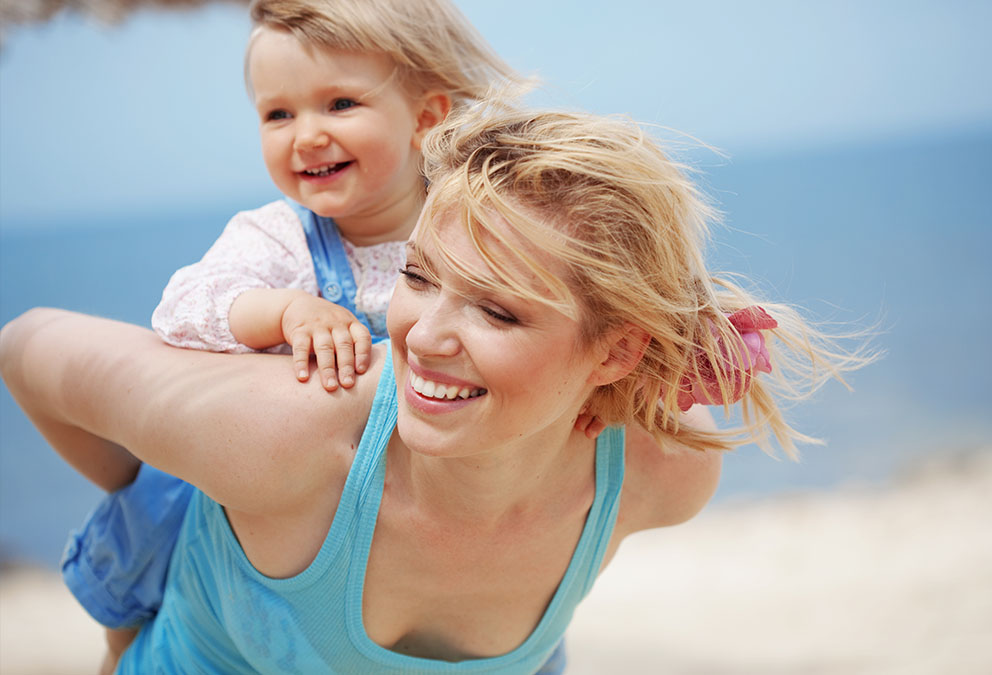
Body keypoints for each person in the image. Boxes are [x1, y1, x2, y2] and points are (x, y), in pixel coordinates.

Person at [0, 102, 869, 673]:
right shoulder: (284, 437)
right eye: (418, 276)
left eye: (497, 311)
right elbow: (27, 344)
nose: (424, 335)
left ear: (614, 354)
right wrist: (142, 491)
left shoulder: (660, 472)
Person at [54, 0, 521, 669]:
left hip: (417, 492)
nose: (305, 135)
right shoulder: (280, 238)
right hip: (275, 502)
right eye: (278, 114)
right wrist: (282, 311)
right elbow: (184, 305)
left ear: (425, 117)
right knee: (159, 540)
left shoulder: (478, 222)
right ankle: (124, 641)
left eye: (338, 104)